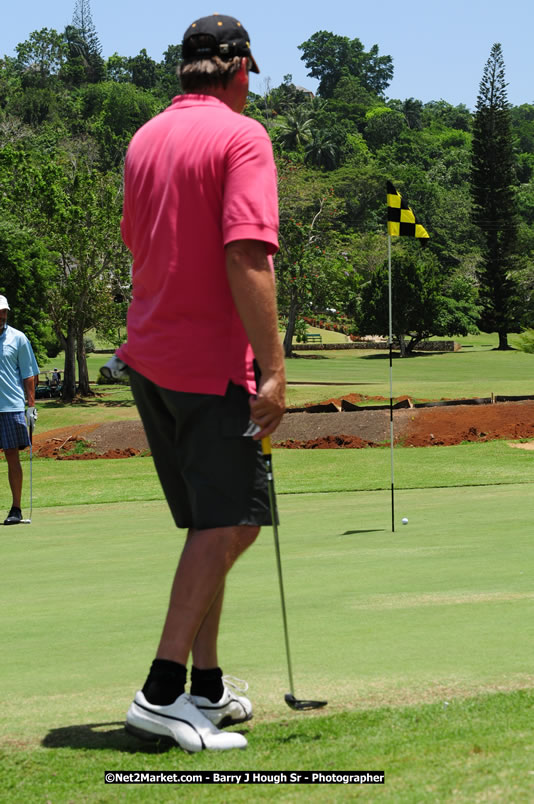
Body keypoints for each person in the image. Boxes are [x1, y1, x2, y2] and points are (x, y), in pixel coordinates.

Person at [112, 13, 285, 752]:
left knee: (212, 523)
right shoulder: (243, 137)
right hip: (211, 365)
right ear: (239, 69)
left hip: (151, 360)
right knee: (230, 524)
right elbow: (247, 255)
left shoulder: (145, 137)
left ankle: (205, 684)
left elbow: (137, 241)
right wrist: (273, 368)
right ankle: (160, 694)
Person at [0, 295, 39, 525]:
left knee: (12, 456)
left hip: (11, 406)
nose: (2, 316)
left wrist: (31, 407)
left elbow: (29, 375)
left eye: (4, 312)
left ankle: (16, 509)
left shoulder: (18, 338)